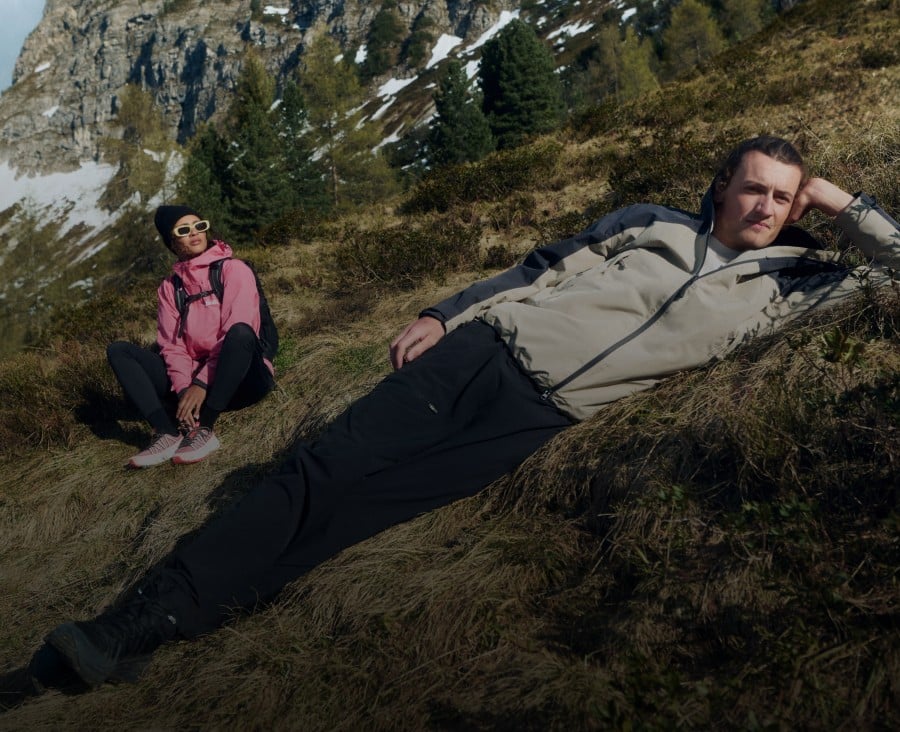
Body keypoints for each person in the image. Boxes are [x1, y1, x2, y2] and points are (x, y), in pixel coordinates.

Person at [28, 137, 899, 689]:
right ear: (719, 187)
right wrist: (444, 314)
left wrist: (838, 204)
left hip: (537, 419)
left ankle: (184, 624)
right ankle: (128, 621)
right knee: (317, 471)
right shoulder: (652, 223)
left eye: (782, 198)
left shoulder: (794, 286)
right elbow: (534, 270)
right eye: (754, 188)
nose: (765, 207)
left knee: (353, 517)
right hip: (481, 355)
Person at [106, 206, 275, 467]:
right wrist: (185, 389)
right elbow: (172, 347)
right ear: (172, 242)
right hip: (196, 388)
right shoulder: (169, 288)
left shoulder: (233, 270)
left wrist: (202, 385)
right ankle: (167, 432)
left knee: (239, 332)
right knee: (119, 351)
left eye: (199, 225)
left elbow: (241, 328)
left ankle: (204, 429)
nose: (194, 233)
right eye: (184, 230)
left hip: (243, 380)